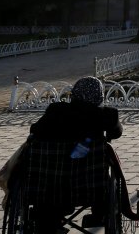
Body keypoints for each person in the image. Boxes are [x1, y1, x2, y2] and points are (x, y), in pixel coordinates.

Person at [27, 76, 123, 234]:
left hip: (49, 185)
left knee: (52, 181)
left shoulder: (55, 111)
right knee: (103, 171)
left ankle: (48, 221)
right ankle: (99, 213)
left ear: (74, 93)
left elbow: (35, 131)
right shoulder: (106, 115)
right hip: (88, 187)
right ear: (99, 96)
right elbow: (117, 132)